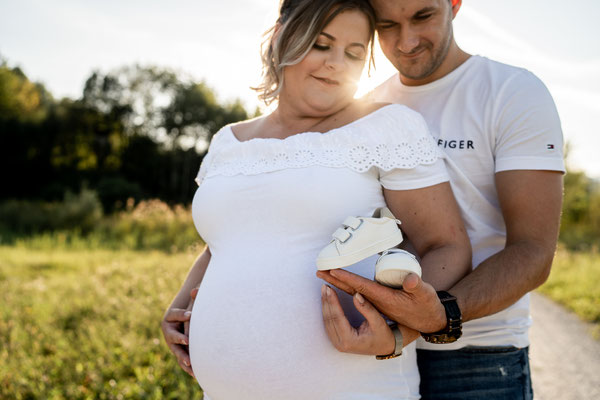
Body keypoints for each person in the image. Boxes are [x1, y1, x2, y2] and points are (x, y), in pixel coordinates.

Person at [161, 0, 472, 398]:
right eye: (321, 45)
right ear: (280, 38)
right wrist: (180, 306)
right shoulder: (227, 141)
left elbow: (445, 245)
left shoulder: (386, 127)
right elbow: (224, 243)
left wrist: (397, 325)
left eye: (354, 53)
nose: (337, 63)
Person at [317, 0, 565, 399]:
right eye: (387, 26)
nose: (407, 40)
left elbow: (533, 250)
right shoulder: (366, 107)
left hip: (479, 355)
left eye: (423, 17)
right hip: (374, 353)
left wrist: (441, 312)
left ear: (454, 4)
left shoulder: (512, 92)